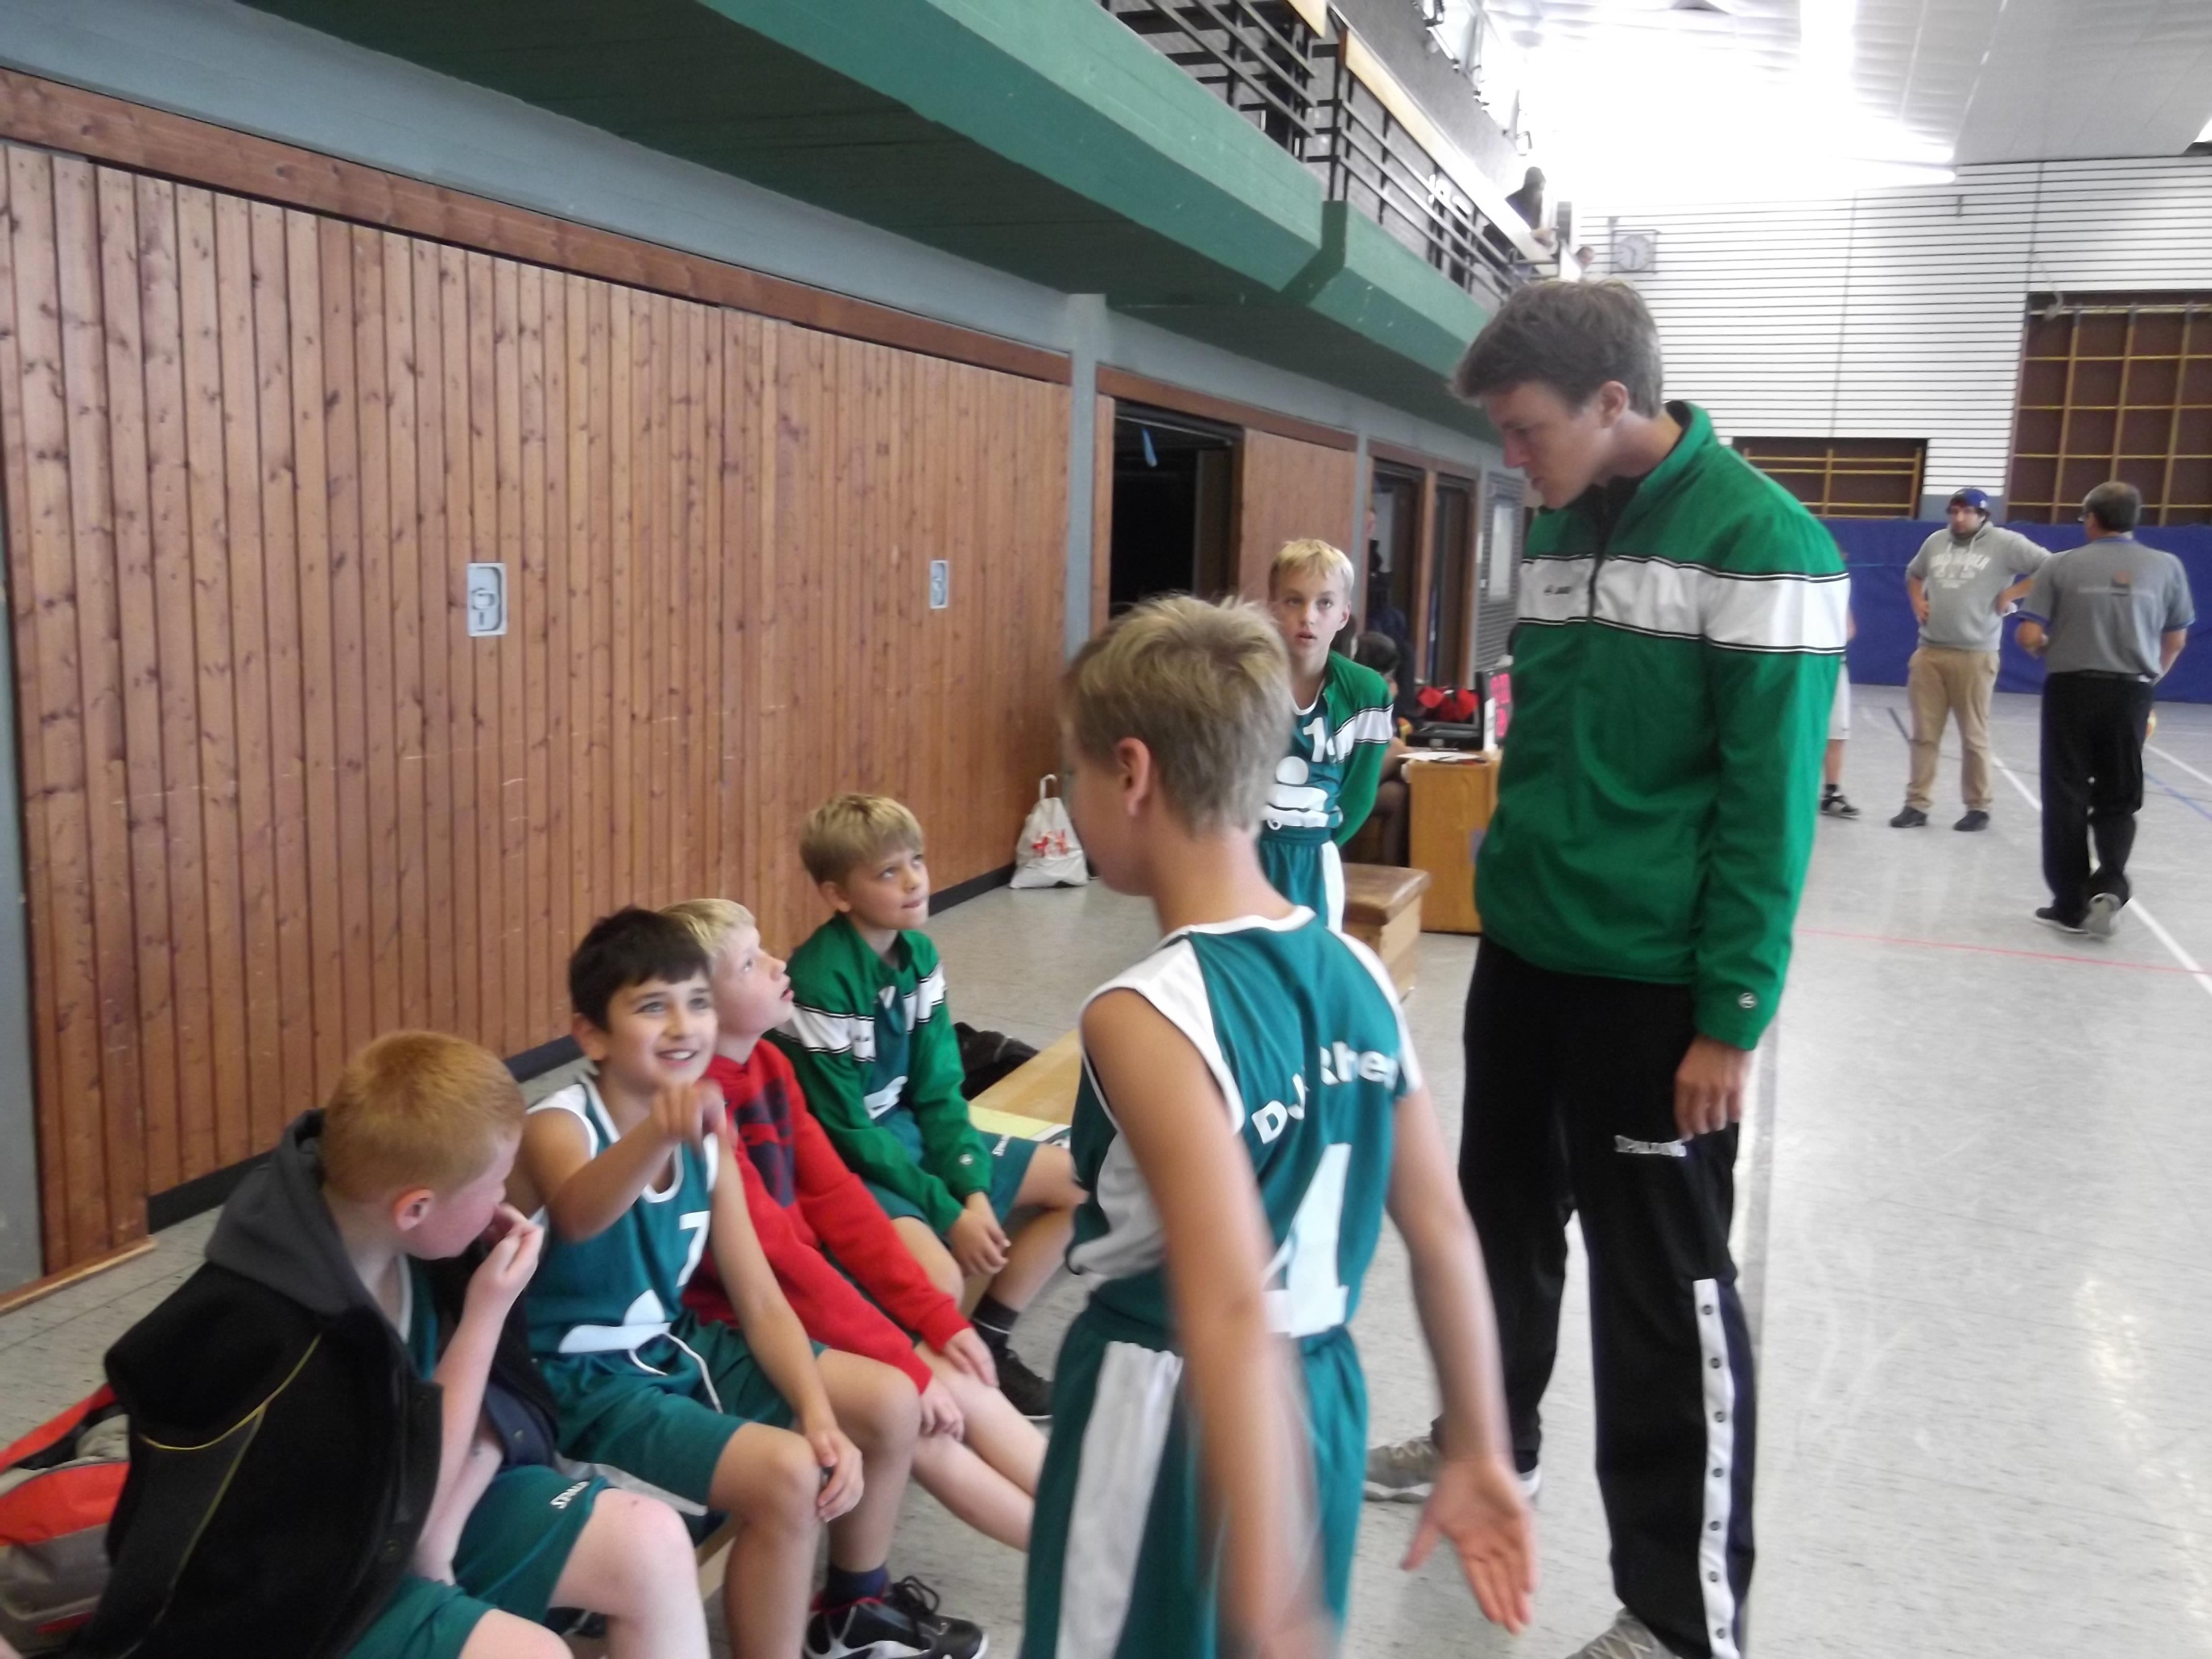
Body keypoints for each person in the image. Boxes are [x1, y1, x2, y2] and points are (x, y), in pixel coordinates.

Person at [1362, 280, 1844, 1659]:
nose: (1512, 459)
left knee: (1659, 1296)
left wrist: (1730, 1016)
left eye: (1525, 430)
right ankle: (1486, 1443)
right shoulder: (1563, 520)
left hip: (1656, 992)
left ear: (1615, 402)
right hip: (1528, 957)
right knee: (1499, 1228)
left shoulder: (1765, 543)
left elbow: (1768, 807)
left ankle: (1678, 1618)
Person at [1024, 594, 1535, 1659]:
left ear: (1130, 772)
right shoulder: (1355, 970)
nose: (1071, 797)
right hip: (1317, 1406)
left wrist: (1269, 1592)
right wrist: (1479, 1445)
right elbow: (1442, 1231)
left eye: (1072, 772)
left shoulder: (1144, 1012)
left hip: (1167, 1403)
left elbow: (1221, 1300)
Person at [77, 1032, 709, 1659]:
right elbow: (382, 1515)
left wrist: (444, 1540)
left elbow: (490, 1425)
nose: (505, 1200)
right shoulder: (269, 1335)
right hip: (305, 1600)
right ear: (415, 1209)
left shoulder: (432, 1246)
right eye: (496, 1184)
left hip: (414, 1524)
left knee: (652, 1542)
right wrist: (487, 1314)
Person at [514, 907, 983, 1659]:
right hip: (575, 1379)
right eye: (652, 1006)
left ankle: (851, 1611)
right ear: (592, 1035)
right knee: (789, 1477)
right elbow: (579, 1215)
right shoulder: (559, 1125)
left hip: (668, 1348)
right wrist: (660, 1131)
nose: (683, 1025)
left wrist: (816, 1411)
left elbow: (761, 1300)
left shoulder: (706, 1134)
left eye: (697, 1003)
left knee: (887, 1403)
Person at [664, 896, 1047, 1549]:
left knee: (958, 1367)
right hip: (743, 1324)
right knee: (917, 1408)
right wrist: (905, 1359)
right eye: (751, 963)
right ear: (700, 1006)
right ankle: (1078, 1559)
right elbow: (778, 1264)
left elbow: (836, 1197)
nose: (779, 964)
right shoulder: (700, 1108)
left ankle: (1093, 1530)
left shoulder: (769, 1064)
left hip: (801, 1296)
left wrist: (935, 1318)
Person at [774, 794, 1086, 1421]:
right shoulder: (820, 981)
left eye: (915, 861)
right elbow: (844, 1130)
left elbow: (940, 1090)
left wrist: (971, 1189)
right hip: (844, 1159)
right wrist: (947, 1210)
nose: (913, 881)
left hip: (905, 1132)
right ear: (838, 895)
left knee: (1085, 1184)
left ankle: (989, 1338)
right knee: (938, 1276)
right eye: (888, 872)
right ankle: (926, 1386)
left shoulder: (917, 955)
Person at [2016, 481, 2194, 938]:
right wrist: (2149, 680)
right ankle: (2110, 883)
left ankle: (2071, 906)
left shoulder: (2060, 565)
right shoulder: (2167, 566)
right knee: (2119, 794)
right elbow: (2176, 639)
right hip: (2131, 693)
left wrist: (2051, 646)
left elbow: (2029, 635)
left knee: (2066, 794)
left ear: (2091, 518)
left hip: (2072, 691)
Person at [1890, 486, 2050, 831]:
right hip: (1930, 652)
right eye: (1954, 512)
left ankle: (1978, 807)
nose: (1959, 519)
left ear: (1982, 515)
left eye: (1967, 512)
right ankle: (1916, 804)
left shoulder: (2005, 543)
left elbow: (2050, 567)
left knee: (1974, 736)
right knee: (1924, 734)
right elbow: (1914, 573)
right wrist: (1918, 599)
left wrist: (2012, 592)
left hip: (1976, 654)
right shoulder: (1936, 542)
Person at [1257, 540, 1396, 929]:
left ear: (1343, 614)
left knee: (1310, 955)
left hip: (1315, 854)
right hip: (1241, 849)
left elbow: (1359, 792)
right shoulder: (1239, 680)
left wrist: (1320, 841)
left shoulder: (1367, 692)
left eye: (1325, 603)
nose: (1308, 617)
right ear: (1272, 608)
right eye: (1294, 601)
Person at [1820, 605, 1861, 818]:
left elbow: (1849, 629)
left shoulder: (1837, 590)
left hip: (1834, 664)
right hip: (1803, 665)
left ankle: (1832, 793)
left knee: (1837, 733)